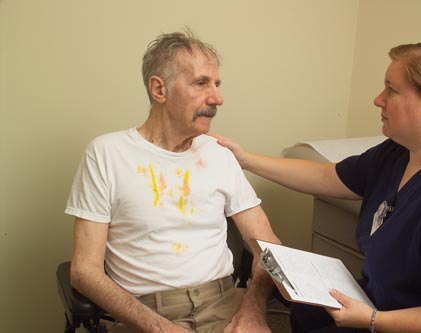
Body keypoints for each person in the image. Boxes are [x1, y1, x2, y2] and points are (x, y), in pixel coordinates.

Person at [214, 43, 421, 332]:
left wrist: (374, 321)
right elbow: (328, 177)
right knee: (306, 313)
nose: (378, 99)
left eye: (392, 90)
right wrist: (245, 159)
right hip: (385, 298)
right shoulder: (402, 150)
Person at [65, 30, 281, 333]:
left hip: (225, 305)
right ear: (159, 89)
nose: (217, 98)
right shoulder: (106, 154)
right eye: (201, 83)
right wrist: (159, 328)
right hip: (142, 312)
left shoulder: (219, 154)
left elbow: (269, 247)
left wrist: (254, 310)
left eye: (217, 84)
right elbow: (84, 272)